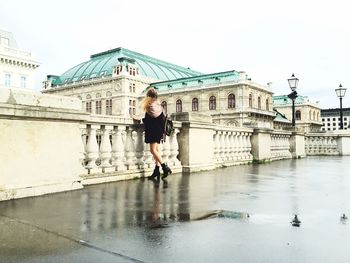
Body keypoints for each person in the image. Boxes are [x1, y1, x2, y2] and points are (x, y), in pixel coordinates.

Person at [134, 87, 172, 181]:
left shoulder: (148, 106)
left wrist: (138, 119)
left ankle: (165, 167)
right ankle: (156, 170)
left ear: (148, 97)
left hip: (153, 130)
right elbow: (157, 119)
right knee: (157, 150)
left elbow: (148, 120)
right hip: (159, 131)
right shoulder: (159, 106)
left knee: (152, 150)